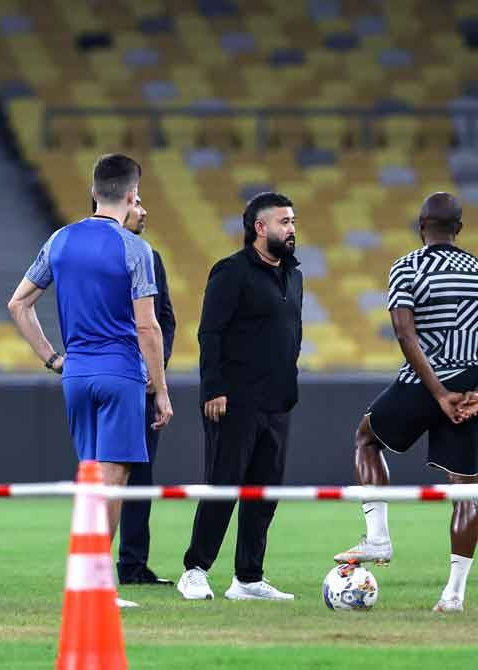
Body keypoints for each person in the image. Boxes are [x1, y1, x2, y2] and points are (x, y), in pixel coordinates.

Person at [332, 192, 478, 613]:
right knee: (463, 489)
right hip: (469, 384)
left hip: (424, 381)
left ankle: (377, 536)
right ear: (459, 229)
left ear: (420, 226)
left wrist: (436, 392)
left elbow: (405, 334)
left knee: (366, 438)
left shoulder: (407, 267)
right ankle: (454, 594)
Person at [8, 153, 174, 609]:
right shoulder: (135, 249)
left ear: (94, 193)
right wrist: (160, 389)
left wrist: (51, 358)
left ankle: (85, 578)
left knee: (90, 478)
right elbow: (148, 327)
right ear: (132, 196)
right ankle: (98, 584)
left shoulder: (60, 239)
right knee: (113, 480)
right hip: (120, 372)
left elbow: (18, 304)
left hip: (76, 372)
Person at [177, 192, 303, 602]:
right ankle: (194, 570)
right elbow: (209, 333)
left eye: (293, 221)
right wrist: (213, 388)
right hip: (234, 401)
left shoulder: (293, 274)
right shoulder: (230, 272)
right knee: (223, 486)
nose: (292, 228)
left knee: (264, 494)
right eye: (284, 222)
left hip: (277, 402)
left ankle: (248, 578)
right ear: (259, 228)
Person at [114, 195, 177, 586]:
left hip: (144, 385)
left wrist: (158, 370)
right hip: (111, 378)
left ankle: (133, 566)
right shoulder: (91, 254)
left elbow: (164, 320)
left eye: (143, 201)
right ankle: (95, 566)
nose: (144, 209)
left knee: (140, 475)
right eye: (136, 202)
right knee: (105, 475)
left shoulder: (149, 257)